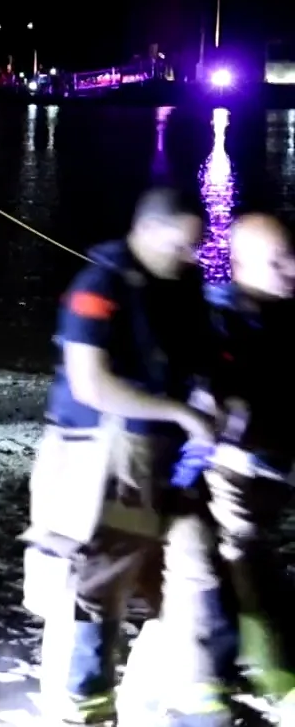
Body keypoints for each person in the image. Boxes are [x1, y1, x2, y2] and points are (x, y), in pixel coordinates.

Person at [23, 187, 223, 726]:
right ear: (150, 229)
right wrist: (180, 414)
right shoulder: (99, 284)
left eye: (195, 247)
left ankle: (177, 696)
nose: (190, 256)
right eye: (182, 244)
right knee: (97, 583)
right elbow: (90, 384)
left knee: (191, 572)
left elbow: (203, 356)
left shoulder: (182, 285)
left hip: (170, 460)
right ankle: (83, 702)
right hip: (104, 455)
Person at [192, 214, 295, 706]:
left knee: (238, 568)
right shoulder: (219, 322)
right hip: (234, 468)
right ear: (240, 265)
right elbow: (207, 394)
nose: (291, 269)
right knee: (244, 561)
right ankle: (276, 682)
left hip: (271, 472)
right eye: (277, 261)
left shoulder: (278, 317)